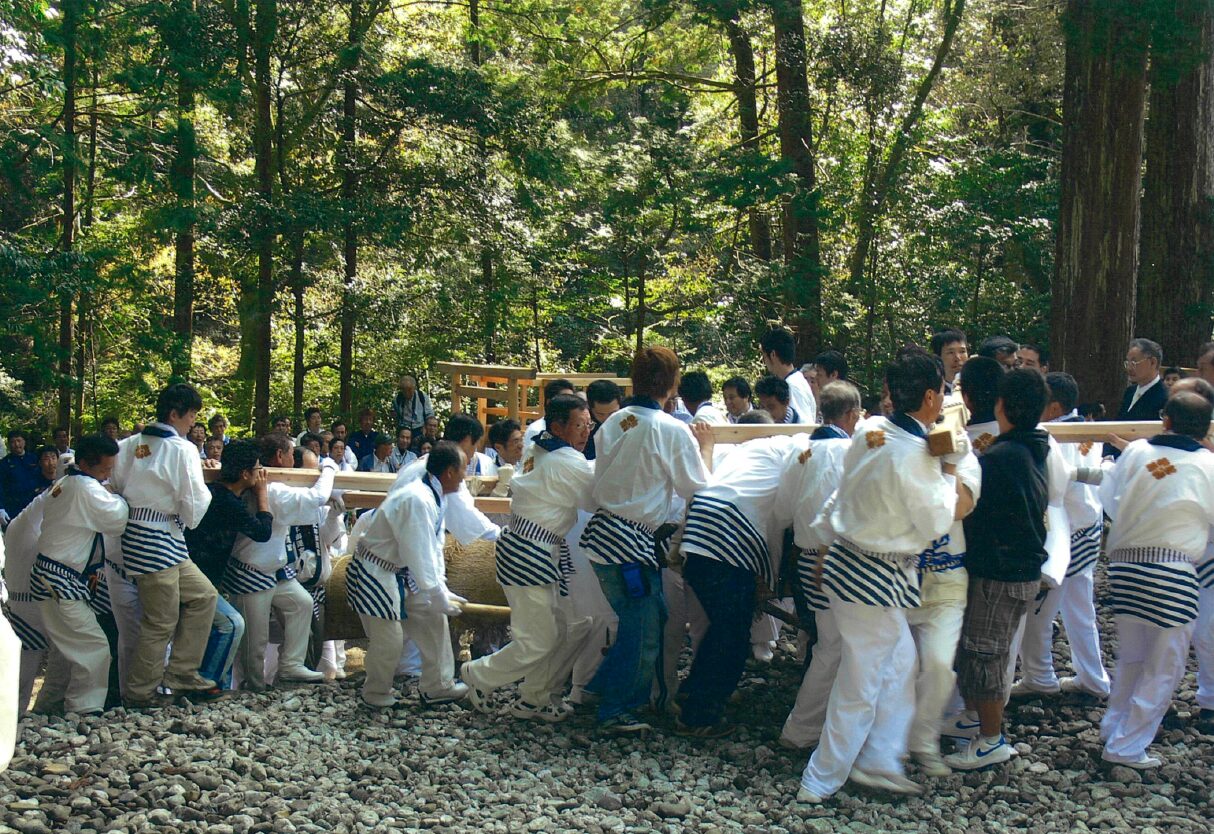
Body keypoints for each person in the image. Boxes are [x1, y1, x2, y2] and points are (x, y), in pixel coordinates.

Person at [797, 352, 971, 803]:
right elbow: (936, 522)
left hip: (850, 565)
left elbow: (842, 492)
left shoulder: (870, 429)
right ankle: (821, 779)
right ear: (932, 396)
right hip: (875, 576)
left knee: (899, 667)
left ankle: (879, 759)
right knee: (862, 680)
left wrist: (823, 543)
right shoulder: (911, 453)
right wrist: (950, 467)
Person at [580, 346, 713, 734]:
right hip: (631, 545)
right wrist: (706, 448)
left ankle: (601, 686)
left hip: (604, 535)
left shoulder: (616, 421)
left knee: (644, 618)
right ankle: (617, 708)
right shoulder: (670, 430)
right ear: (672, 384)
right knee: (645, 630)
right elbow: (696, 487)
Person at [675, 407, 811, 737]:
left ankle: (695, 694)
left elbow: (700, 488)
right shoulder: (798, 446)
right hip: (729, 535)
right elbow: (781, 515)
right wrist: (771, 577)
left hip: (700, 533)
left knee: (724, 628)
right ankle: (700, 714)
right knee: (732, 633)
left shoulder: (736, 452)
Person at [1096, 390, 1214, 768]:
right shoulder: (1209, 466)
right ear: (1207, 428)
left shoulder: (1135, 452)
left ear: (1165, 419)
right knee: (1166, 665)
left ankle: (1114, 726)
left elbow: (1110, 498)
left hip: (1125, 565)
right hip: (1173, 569)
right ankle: (1126, 745)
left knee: (1132, 658)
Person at [463, 395, 596, 722]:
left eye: (589, 425)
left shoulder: (539, 444)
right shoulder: (566, 459)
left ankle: (536, 696)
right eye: (579, 426)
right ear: (558, 427)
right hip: (530, 552)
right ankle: (479, 674)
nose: (586, 432)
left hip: (533, 549)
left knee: (571, 626)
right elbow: (599, 498)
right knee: (537, 640)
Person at [944, 369, 1052, 770]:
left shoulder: (1003, 457)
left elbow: (972, 509)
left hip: (1003, 571)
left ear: (1001, 405)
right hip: (1009, 567)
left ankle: (992, 739)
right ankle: (974, 719)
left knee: (985, 654)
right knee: (974, 650)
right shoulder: (1030, 447)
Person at [109, 384, 217, 708]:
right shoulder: (182, 450)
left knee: (204, 596)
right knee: (160, 620)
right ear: (175, 414)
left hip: (142, 534)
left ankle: (182, 671)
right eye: (192, 416)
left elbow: (113, 486)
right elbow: (195, 501)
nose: (193, 423)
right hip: (159, 535)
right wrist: (187, 516)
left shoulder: (127, 445)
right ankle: (140, 692)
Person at [1010, 372, 1110, 700]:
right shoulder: (1088, 429)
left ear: (1052, 407)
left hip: (1064, 534)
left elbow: (1055, 485)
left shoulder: (1056, 436)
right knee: (1079, 612)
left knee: (1037, 614)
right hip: (1087, 528)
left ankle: (1041, 676)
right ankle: (1092, 678)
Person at [348, 441, 470, 709]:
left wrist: (441, 591)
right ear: (449, 472)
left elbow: (434, 546)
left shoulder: (435, 494)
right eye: (464, 469)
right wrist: (434, 591)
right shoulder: (417, 498)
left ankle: (438, 685)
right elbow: (419, 552)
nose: (466, 475)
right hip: (374, 570)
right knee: (389, 638)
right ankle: (375, 693)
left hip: (400, 570)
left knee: (433, 617)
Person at [778, 382, 864, 751]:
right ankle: (803, 728)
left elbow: (782, 510)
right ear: (853, 415)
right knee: (835, 647)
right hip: (839, 559)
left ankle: (822, 725)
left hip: (805, 558)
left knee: (833, 644)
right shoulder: (855, 451)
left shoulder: (801, 451)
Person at [224, 433, 336, 690]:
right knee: (255, 639)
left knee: (301, 603)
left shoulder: (272, 486)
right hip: (250, 570)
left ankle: (290, 665)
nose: (293, 460)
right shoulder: (272, 489)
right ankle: (251, 686)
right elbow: (316, 497)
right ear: (278, 456)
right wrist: (328, 467)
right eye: (289, 454)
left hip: (276, 570)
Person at [27, 435, 128, 715]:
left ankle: (48, 708)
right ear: (84, 464)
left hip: (49, 574)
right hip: (62, 579)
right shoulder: (85, 488)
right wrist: (117, 496)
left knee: (63, 651)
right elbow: (117, 520)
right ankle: (84, 709)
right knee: (93, 646)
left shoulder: (63, 484)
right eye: (104, 470)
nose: (108, 475)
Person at [183, 440, 270, 693]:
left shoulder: (212, 490)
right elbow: (262, 532)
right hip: (197, 579)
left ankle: (214, 684)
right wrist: (262, 496)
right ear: (244, 474)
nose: (260, 472)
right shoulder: (229, 503)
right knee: (231, 624)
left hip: (202, 577)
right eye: (256, 468)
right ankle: (206, 684)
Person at [1106, 338, 1168, 459]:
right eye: (1127, 362)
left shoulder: (1165, 397)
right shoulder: (1130, 392)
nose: (1129, 368)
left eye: (1134, 363)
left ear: (1153, 362)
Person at [760, 328, 816, 423]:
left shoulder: (792, 386)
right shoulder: (796, 380)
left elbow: (804, 426)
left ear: (773, 355)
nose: (763, 361)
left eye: (764, 356)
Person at [0, 430, 40, 526]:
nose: (17, 444)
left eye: (19, 440)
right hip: (13, 508)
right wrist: (1, 508)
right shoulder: (4, 464)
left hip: (34, 505)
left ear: (24, 442)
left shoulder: (34, 459)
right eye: (13, 442)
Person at [524, 380, 577, 450]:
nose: (570, 405)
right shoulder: (537, 430)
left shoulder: (575, 428)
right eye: (565, 400)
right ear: (550, 402)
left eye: (572, 400)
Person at [584, 380, 623, 461]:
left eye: (612, 413)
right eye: (600, 414)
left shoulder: (630, 416)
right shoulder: (584, 425)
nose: (607, 419)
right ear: (589, 407)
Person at [930, 329, 968, 395]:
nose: (958, 357)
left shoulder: (977, 386)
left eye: (962, 351)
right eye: (951, 352)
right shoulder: (934, 392)